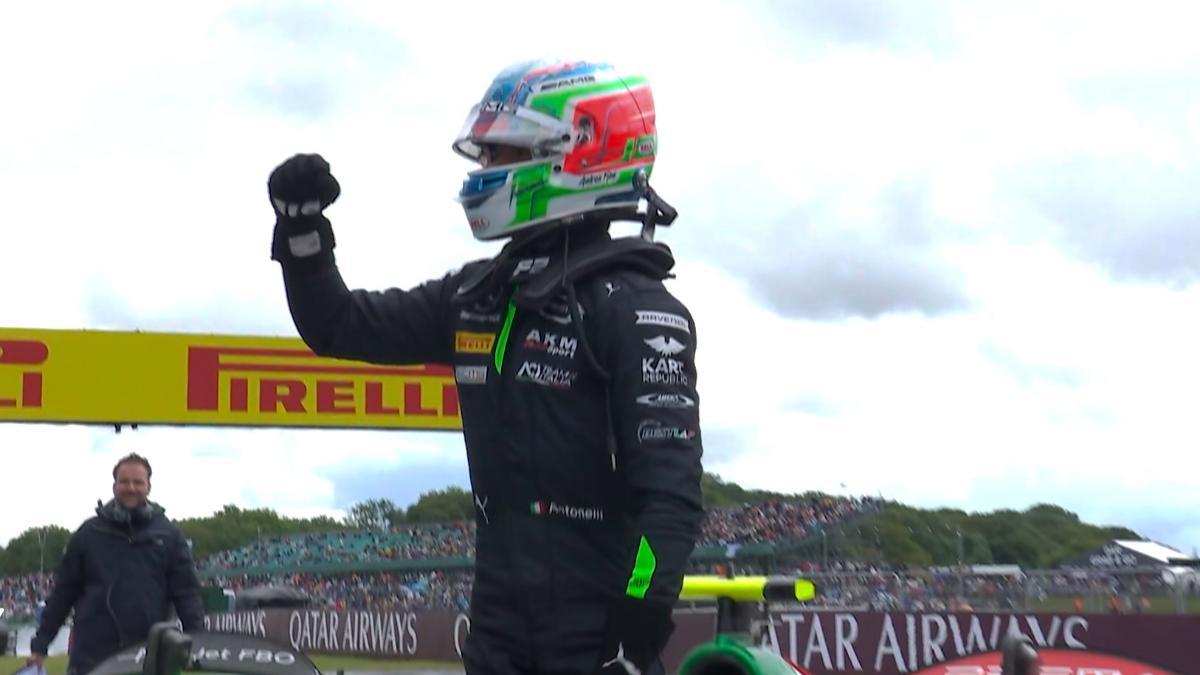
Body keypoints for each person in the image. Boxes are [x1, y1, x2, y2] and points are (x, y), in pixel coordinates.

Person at [268, 59, 704, 675]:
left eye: (502, 155)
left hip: (593, 640)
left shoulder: (636, 310)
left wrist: (632, 639)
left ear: (575, 154)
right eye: (486, 157)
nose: (483, 174)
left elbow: (671, 501)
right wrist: (302, 230)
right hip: (496, 632)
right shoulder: (477, 294)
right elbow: (337, 325)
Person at [28, 453, 204, 675]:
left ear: (149, 487)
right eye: (124, 481)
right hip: (92, 658)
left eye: (138, 482)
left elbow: (187, 593)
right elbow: (63, 594)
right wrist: (40, 644)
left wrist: (198, 641)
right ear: (114, 486)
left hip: (150, 657)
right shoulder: (88, 533)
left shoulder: (169, 535)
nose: (131, 487)